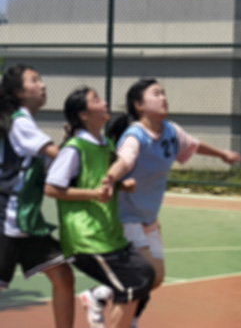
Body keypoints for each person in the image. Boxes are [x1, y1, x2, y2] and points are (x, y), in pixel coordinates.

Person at [93, 78, 241, 326]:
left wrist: (222, 154)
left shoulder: (171, 132)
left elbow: (194, 145)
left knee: (156, 277)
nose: (163, 97)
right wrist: (111, 176)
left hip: (148, 217)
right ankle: (125, 317)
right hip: (125, 217)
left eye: (163, 93)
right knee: (142, 273)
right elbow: (124, 160)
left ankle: (99, 294)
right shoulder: (135, 136)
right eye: (156, 94)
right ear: (139, 105)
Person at [45, 87, 155, 328]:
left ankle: (100, 303)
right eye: (96, 100)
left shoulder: (106, 144)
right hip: (86, 237)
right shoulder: (75, 148)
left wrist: (121, 185)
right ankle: (99, 303)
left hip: (108, 233)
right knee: (132, 284)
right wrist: (93, 194)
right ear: (83, 114)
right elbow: (51, 188)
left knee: (146, 274)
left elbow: (98, 181)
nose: (104, 102)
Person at [0, 64, 75, 328]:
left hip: (26, 222)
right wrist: (81, 149)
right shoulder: (20, 122)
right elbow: (59, 157)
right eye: (34, 80)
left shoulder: (24, 123)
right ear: (19, 92)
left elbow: (53, 167)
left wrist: (68, 143)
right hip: (6, 220)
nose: (42, 84)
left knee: (63, 276)